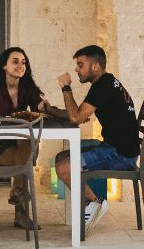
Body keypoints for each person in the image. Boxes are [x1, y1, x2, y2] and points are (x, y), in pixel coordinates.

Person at [49, 45, 139, 233]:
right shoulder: (106, 83)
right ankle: (90, 205)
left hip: (121, 155)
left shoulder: (103, 86)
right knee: (61, 157)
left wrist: (66, 87)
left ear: (95, 66)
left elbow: (76, 118)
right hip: (114, 147)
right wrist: (51, 111)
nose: (76, 69)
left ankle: (95, 203)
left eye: (80, 65)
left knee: (65, 167)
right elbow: (79, 113)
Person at [0, 46, 47, 230]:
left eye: (23, 62)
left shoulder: (27, 86)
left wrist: (42, 105)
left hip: (17, 143)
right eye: (15, 61)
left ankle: (18, 197)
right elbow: (0, 112)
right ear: (4, 66)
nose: (20, 66)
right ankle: (21, 210)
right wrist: (24, 115)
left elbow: (38, 106)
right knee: (29, 151)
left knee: (29, 143)